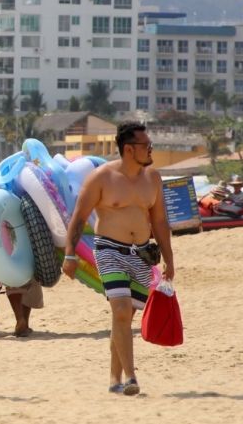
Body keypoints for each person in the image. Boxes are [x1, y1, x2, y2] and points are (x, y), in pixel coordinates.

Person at [64, 121, 175, 396]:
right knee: (122, 312)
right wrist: (69, 254)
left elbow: (159, 221)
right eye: (146, 145)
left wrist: (169, 259)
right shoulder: (102, 178)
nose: (150, 149)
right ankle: (130, 377)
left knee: (124, 318)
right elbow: (78, 218)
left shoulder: (154, 179)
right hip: (109, 249)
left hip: (142, 253)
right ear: (129, 149)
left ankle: (114, 377)